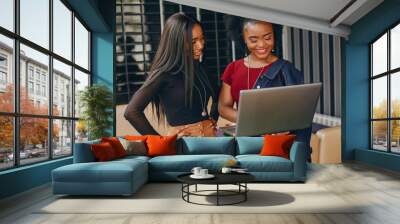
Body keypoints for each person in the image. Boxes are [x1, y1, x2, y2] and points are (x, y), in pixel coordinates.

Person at [218, 19, 312, 160]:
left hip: (278, 147)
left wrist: (282, 125)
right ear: (242, 38)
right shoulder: (233, 68)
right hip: (246, 145)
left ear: (275, 35)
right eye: (253, 40)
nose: (262, 45)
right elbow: (223, 107)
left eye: (267, 38)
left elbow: (300, 113)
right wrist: (253, 121)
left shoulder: (286, 70)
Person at [124, 13, 219, 137]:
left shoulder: (202, 68)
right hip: (183, 146)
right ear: (176, 42)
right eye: (193, 41)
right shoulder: (163, 74)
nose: (201, 46)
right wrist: (161, 142)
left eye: (202, 39)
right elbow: (131, 112)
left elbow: (218, 97)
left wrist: (212, 119)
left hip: (212, 140)